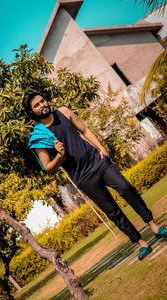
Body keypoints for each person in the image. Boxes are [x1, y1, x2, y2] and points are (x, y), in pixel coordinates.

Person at [22, 89, 167, 260]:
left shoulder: (63, 112)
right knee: (112, 211)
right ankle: (141, 243)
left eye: (42, 101)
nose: (42, 105)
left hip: (97, 161)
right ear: (32, 112)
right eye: (36, 105)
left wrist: (101, 147)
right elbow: (47, 167)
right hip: (83, 178)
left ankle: (154, 226)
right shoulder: (38, 137)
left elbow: (84, 129)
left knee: (125, 187)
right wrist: (59, 156)